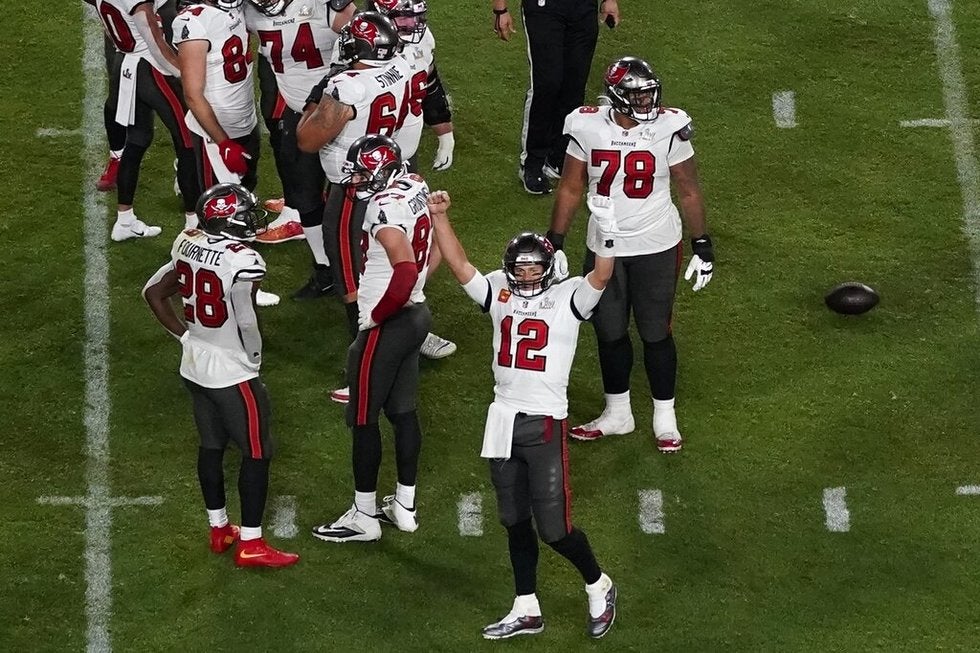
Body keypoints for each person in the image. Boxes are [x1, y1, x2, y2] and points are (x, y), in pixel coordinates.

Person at [428, 189, 619, 640]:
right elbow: (460, 267)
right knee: (513, 519)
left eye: (534, 266)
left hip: (544, 423)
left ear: (550, 268)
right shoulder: (498, 289)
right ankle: (526, 606)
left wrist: (607, 230)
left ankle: (599, 583)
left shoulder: (571, 297)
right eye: (520, 267)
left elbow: (602, 274)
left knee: (554, 528)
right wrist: (439, 217)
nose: (526, 273)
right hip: (502, 420)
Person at [548, 55, 715, 453]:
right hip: (604, 243)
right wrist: (554, 240)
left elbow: (688, 188)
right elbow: (571, 187)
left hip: (655, 241)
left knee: (655, 330)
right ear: (616, 97)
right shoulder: (586, 124)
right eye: (637, 96)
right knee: (608, 330)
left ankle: (664, 416)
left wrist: (702, 243)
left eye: (649, 95)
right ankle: (617, 412)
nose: (647, 104)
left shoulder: (670, 125)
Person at [297, 11, 454, 401]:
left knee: (354, 284)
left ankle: (368, 370)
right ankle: (413, 335)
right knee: (405, 262)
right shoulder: (403, 63)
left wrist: (316, 102)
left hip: (356, 189)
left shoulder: (349, 87)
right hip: (397, 178)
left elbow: (307, 139)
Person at [142, 182, 299, 568]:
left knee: (211, 445)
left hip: (195, 361)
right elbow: (245, 318)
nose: (250, 221)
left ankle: (218, 529)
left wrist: (185, 338)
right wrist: (255, 358)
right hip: (231, 368)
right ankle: (251, 543)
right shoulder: (243, 260)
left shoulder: (187, 240)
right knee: (258, 451)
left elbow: (153, 292)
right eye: (244, 215)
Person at [311, 135, 433, 543]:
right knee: (403, 412)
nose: (357, 179)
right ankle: (404, 505)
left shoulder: (383, 205)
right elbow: (424, 259)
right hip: (416, 315)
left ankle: (363, 516)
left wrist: (377, 316)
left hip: (391, 322)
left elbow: (403, 270)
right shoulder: (415, 185)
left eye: (363, 171)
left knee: (363, 419)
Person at [245, 0, 356, 296]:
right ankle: (325, 270)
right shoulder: (248, 11)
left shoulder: (323, 4)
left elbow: (361, 41)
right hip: (297, 111)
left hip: (338, 110)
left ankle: (361, 262)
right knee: (304, 195)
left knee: (351, 191)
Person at [174, 0, 281, 306]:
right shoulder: (193, 22)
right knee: (222, 215)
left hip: (243, 122)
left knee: (243, 204)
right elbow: (193, 94)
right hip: (215, 133)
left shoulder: (236, 9)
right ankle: (218, 284)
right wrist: (222, 142)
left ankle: (241, 278)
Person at [94, 0, 202, 242]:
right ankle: (193, 225)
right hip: (150, 68)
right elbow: (154, 41)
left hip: (125, 64)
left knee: (137, 140)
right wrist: (182, 73)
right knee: (188, 140)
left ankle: (124, 220)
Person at [491, 0, 620, 195]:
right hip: (544, 8)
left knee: (574, 87)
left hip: (583, 8)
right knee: (546, 85)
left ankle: (559, 157)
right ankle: (532, 163)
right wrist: (500, 10)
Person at [369, 0, 456, 171]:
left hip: (406, 151)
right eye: (404, 17)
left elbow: (430, 84)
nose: (412, 24)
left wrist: (446, 136)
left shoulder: (424, 39)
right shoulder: (360, 45)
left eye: (416, 17)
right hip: (364, 154)